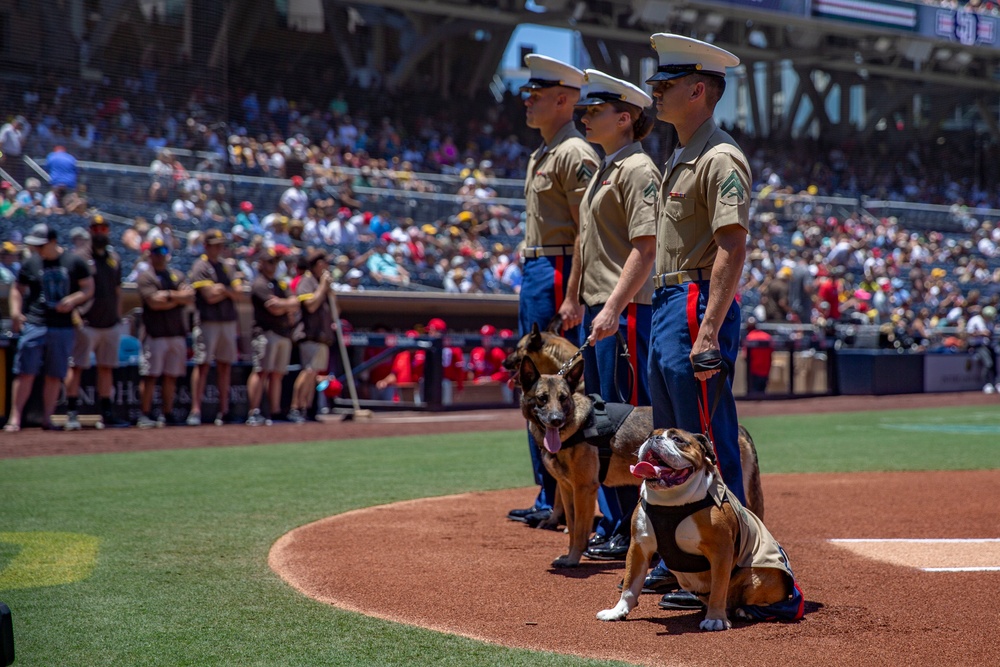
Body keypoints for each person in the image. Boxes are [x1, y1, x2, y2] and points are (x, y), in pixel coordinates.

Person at [645, 33, 751, 609]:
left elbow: (731, 246)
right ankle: (684, 561)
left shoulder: (719, 157)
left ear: (699, 90)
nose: (655, 94)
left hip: (692, 305)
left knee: (705, 437)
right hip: (668, 304)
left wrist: (708, 328)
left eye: (665, 86)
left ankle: (730, 566)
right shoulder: (682, 155)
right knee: (671, 444)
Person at [507, 54, 599, 527]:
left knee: (554, 384)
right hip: (538, 264)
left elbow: (588, 226)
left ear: (564, 100)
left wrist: (572, 293)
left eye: (537, 95)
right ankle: (549, 494)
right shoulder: (543, 152)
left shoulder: (574, 153)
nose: (528, 101)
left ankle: (562, 497)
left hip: (559, 265)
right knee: (529, 380)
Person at [573, 69, 660, 560]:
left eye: (595, 111)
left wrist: (611, 307)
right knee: (606, 417)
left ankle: (633, 528)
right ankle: (619, 523)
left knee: (623, 421)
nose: (586, 118)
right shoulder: (610, 166)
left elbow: (644, 249)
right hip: (606, 309)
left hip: (623, 310)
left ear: (624, 118)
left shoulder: (637, 169)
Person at [4, 224, 93, 432]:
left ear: (53, 242)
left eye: (41, 245)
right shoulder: (31, 262)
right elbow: (17, 288)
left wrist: (72, 300)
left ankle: (47, 418)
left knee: (55, 374)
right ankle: (14, 419)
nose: (37, 249)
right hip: (36, 323)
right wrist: (15, 311)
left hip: (62, 326)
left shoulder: (73, 261)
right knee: (25, 372)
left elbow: (88, 288)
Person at [65, 215, 127, 430]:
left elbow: (118, 291)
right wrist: (74, 317)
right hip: (87, 322)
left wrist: (118, 318)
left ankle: (107, 412)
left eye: (103, 228)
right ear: (90, 231)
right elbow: (70, 290)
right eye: (96, 228)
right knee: (77, 367)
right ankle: (72, 411)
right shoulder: (79, 257)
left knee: (106, 368)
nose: (100, 232)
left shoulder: (114, 258)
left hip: (110, 324)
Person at [135, 238, 195, 428]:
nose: (160, 256)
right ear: (150, 255)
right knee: (150, 376)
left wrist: (169, 296)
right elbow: (154, 302)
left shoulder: (176, 275)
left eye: (163, 252)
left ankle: (167, 412)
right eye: (156, 252)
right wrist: (178, 298)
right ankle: (144, 413)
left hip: (176, 333)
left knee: (171, 376)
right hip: (155, 333)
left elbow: (190, 296)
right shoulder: (146, 276)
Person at [188, 229, 244, 426]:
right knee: (202, 365)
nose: (219, 248)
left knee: (225, 366)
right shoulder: (200, 266)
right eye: (215, 245)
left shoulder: (226, 266)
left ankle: (224, 410)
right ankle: (195, 410)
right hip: (208, 321)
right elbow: (209, 296)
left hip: (227, 321)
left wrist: (223, 290)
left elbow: (239, 293)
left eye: (221, 245)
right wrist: (225, 291)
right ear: (206, 246)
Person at [246, 248, 300, 425]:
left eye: (276, 262)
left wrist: (283, 304)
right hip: (266, 332)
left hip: (282, 333)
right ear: (261, 263)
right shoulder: (259, 283)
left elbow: (295, 302)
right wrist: (286, 306)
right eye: (270, 261)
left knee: (277, 374)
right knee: (261, 371)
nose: (274, 265)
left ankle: (274, 411)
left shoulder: (280, 283)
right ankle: (253, 411)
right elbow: (273, 309)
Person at [290, 250, 335, 422]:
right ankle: (295, 407)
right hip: (309, 334)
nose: (327, 268)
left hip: (322, 336)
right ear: (317, 265)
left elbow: (335, 310)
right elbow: (310, 306)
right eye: (325, 264)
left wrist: (328, 290)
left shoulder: (321, 283)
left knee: (313, 373)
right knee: (308, 371)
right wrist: (323, 286)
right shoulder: (307, 281)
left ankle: (306, 408)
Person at [966, 305, 997, 393]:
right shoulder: (975, 320)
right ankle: (987, 384)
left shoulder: (990, 322)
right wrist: (981, 333)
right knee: (988, 364)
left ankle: (996, 383)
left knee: (994, 365)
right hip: (977, 345)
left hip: (988, 345)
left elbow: (990, 334)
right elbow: (968, 333)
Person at [744, 317, 774, 396]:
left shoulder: (749, 338)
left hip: (754, 371)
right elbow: (772, 352)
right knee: (763, 393)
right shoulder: (767, 337)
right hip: (766, 370)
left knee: (753, 395)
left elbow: (745, 356)